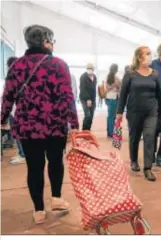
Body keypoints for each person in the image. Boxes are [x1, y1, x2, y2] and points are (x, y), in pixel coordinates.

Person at [0, 25, 79, 224]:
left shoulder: (16, 66)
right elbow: (67, 97)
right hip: (55, 125)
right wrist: (74, 123)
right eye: (52, 40)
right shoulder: (59, 65)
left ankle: (38, 211)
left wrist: (2, 119)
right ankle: (57, 198)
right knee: (55, 162)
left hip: (28, 127)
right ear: (46, 41)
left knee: (34, 168)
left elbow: (7, 96)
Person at [116, 46, 161, 182]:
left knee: (150, 136)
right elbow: (123, 94)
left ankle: (148, 168)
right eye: (147, 54)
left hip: (151, 111)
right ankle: (134, 160)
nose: (150, 56)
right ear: (139, 57)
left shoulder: (155, 74)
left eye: (150, 54)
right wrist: (119, 112)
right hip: (134, 111)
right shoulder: (130, 73)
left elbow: (159, 94)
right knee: (134, 137)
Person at [5, 57, 26, 165]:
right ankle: (21, 152)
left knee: (18, 134)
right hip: (16, 110)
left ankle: (23, 155)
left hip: (16, 111)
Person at [79, 63, 97, 131]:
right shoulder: (83, 77)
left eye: (91, 68)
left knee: (91, 116)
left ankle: (88, 130)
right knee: (88, 115)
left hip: (93, 99)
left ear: (93, 69)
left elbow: (94, 88)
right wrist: (88, 99)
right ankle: (84, 130)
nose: (89, 70)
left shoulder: (94, 77)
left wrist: (93, 99)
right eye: (88, 68)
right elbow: (82, 88)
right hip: (84, 99)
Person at [105, 64, 121, 138]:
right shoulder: (115, 78)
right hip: (113, 98)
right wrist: (115, 85)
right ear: (116, 70)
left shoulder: (108, 77)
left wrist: (116, 87)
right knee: (112, 116)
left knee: (110, 116)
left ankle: (109, 132)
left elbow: (108, 88)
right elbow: (108, 88)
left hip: (109, 98)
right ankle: (111, 133)